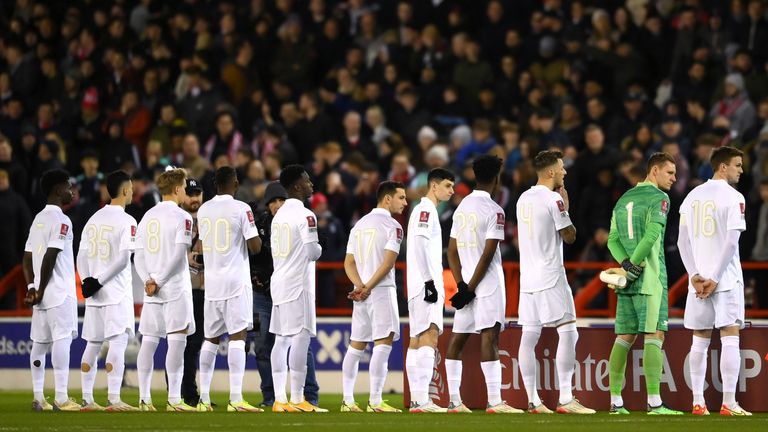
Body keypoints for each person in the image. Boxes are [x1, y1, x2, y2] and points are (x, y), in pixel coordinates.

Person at [516, 150, 595, 415]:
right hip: (550, 274)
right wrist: (567, 209)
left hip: (527, 279)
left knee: (529, 336)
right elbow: (569, 236)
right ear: (550, 172)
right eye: (561, 168)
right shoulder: (553, 199)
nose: (565, 172)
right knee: (569, 331)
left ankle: (532, 400)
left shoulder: (522, 198)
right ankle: (564, 398)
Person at [677, 146, 752, 416]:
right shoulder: (734, 197)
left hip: (697, 282)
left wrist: (694, 275)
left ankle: (698, 402)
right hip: (726, 279)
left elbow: (681, 241)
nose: (741, 170)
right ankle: (728, 403)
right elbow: (732, 241)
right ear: (723, 167)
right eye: (738, 165)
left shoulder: (691, 196)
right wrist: (716, 278)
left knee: (700, 339)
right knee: (730, 336)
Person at [444, 155, 522, 414]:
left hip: (465, 283)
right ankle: (494, 401)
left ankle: (454, 401)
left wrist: (461, 285)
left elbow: (451, 250)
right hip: (486, 284)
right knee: (490, 337)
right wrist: (471, 287)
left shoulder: (462, 206)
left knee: (458, 338)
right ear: (497, 178)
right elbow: (488, 254)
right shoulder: (495, 211)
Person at [606, 152, 682, 415]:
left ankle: (615, 402)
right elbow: (652, 235)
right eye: (670, 172)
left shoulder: (623, 199)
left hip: (626, 282)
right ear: (654, 171)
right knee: (655, 335)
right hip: (650, 278)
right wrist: (636, 265)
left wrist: (626, 265)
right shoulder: (660, 198)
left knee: (624, 337)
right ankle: (654, 402)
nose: (674, 178)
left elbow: (612, 240)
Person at [195, 166, 263, 412]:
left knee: (210, 339)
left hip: (212, 285)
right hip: (236, 283)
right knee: (237, 337)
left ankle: (203, 398)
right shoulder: (242, 209)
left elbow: (201, 247)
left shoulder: (203, 210)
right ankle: (235, 399)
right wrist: (257, 231)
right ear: (234, 183)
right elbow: (255, 247)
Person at [248, 182, 319, 407]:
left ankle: (295, 396)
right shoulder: (299, 216)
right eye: (273, 202)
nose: (277, 205)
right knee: (271, 343)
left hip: (277, 287)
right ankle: (284, 398)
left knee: (287, 340)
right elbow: (311, 251)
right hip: (268, 293)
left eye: (280, 200)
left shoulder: (279, 220)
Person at [340, 181, 407, 413]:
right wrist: (368, 287)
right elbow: (388, 263)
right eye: (401, 198)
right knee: (383, 342)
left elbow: (348, 262)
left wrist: (360, 286)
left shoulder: (358, 225)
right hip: (380, 291)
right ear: (387, 199)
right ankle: (376, 401)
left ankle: (348, 401)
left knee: (356, 345)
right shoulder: (393, 226)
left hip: (362, 294)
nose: (405, 203)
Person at [134, 168, 196, 412]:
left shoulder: (147, 216)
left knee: (148, 342)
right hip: (174, 288)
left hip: (151, 289)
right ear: (178, 189)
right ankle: (173, 399)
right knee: (177, 343)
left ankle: (144, 399)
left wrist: (148, 280)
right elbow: (180, 254)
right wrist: (159, 280)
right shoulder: (184, 217)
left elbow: (137, 254)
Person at [76, 170, 139, 411]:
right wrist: (100, 281)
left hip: (94, 294)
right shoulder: (127, 221)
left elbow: (80, 255)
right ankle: (114, 398)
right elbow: (124, 259)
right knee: (118, 341)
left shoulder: (93, 219)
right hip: (115, 292)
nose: (132, 192)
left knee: (92, 344)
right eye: (131, 188)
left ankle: (87, 399)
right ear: (124, 191)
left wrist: (87, 282)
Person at [269, 165, 327, 412]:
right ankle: (297, 398)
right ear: (295, 186)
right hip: (297, 285)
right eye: (306, 181)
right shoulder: (306, 215)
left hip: (279, 282)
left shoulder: (278, 215)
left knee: (281, 340)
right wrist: (320, 246)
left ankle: (279, 399)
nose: (311, 184)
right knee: (300, 337)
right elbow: (313, 252)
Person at [23, 169, 79, 411]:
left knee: (39, 343)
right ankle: (61, 397)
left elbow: (26, 257)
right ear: (58, 190)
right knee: (61, 340)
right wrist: (42, 289)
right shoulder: (62, 220)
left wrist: (32, 288)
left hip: (41, 296)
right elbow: (51, 255)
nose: (71, 191)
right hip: (57, 292)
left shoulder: (38, 219)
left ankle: (38, 396)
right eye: (68, 187)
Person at [405, 168, 455, 413]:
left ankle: (417, 399)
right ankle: (423, 399)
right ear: (434, 186)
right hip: (425, 283)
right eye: (447, 185)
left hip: (416, 284)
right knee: (429, 335)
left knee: (416, 339)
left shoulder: (421, 211)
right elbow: (421, 247)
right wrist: (428, 282)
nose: (452, 190)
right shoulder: (426, 210)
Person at [180, 178, 204, 407]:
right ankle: (182, 392)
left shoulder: (209, 219)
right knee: (184, 343)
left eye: (197, 192)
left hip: (206, 290)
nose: (194, 198)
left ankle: (195, 393)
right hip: (185, 288)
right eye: (190, 193)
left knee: (198, 344)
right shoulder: (178, 219)